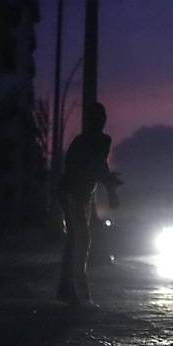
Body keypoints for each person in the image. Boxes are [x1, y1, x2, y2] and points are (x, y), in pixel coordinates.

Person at [57, 102, 121, 307]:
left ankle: (68, 290)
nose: (99, 123)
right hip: (72, 193)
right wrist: (109, 185)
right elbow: (88, 169)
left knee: (77, 241)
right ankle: (79, 294)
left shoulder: (102, 141)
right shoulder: (82, 142)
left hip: (84, 194)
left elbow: (100, 167)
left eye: (101, 119)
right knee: (80, 240)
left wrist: (110, 188)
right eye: (96, 119)